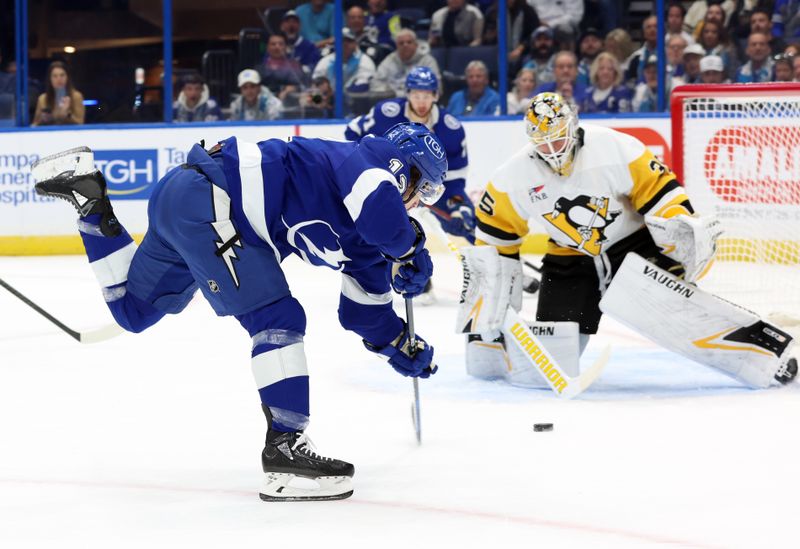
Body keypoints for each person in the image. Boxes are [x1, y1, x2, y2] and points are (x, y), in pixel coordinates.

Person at [32, 122, 446, 502]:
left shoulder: (371, 241)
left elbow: (362, 313)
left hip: (187, 197)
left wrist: (399, 344)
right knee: (278, 319)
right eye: (421, 189)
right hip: (212, 199)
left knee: (133, 311)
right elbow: (382, 214)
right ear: (403, 169)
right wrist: (410, 249)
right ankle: (286, 452)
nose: (418, 203)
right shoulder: (365, 162)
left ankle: (89, 200)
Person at [459, 91, 797, 391]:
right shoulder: (512, 177)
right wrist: (485, 315)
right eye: (543, 142)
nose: (552, 149)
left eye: (557, 138)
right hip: (570, 261)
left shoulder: (615, 146)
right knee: (554, 357)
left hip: (632, 247)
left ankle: (766, 354)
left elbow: (660, 192)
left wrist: (680, 228)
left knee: (678, 314)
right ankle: (495, 351)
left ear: (572, 126)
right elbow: (493, 241)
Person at [347, 67, 472, 242]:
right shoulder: (385, 113)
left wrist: (457, 206)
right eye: (416, 95)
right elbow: (353, 131)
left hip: (427, 187)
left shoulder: (451, 129)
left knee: (470, 223)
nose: (421, 102)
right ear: (407, 94)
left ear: (436, 96)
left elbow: (454, 178)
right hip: (388, 183)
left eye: (427, 96)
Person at [370, 28, 442, 97]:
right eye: (401, 43)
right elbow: (375, 83)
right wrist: (389, 93)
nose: (405, 45)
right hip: (392, 103)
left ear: (416, 45)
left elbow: (436, 87)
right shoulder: (389, 60)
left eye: (409, 42)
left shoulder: (427, 61)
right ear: (396, 46)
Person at [312, 28, 376, 93]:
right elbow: (316, 82)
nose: (345, 44)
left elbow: (363, 86)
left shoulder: (365, 61)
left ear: (355, 43)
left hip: (357, 100)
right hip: (329, 99)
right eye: (341, 41)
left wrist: (337, 96)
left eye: (349, 41)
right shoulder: (326, 60)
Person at [32, 61, 85, 126]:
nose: (59, 79)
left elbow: (80, 123)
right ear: (50, 79)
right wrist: (43, 120)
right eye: (55, 76)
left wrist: (67, 115)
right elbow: (34, 125)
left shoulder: (76, 96)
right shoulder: (43, 99)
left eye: (62, 75)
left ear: (67, 77)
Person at [259, 33, 306, 102]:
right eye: (273, 44)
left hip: (290, 102)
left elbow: (303, 86)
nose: (277, 47)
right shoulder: (260, 68)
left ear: (286, 47)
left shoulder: (295, 66)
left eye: (280, 44)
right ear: (267, 47)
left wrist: (293, 88)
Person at [280, 10, 321, 74]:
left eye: (294, 22)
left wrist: (300, 68)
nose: (291, 25)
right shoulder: (275, 45)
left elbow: (315, 66)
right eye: (288, 22)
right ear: (282, 26)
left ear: (299, 26)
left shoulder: (309, 46)